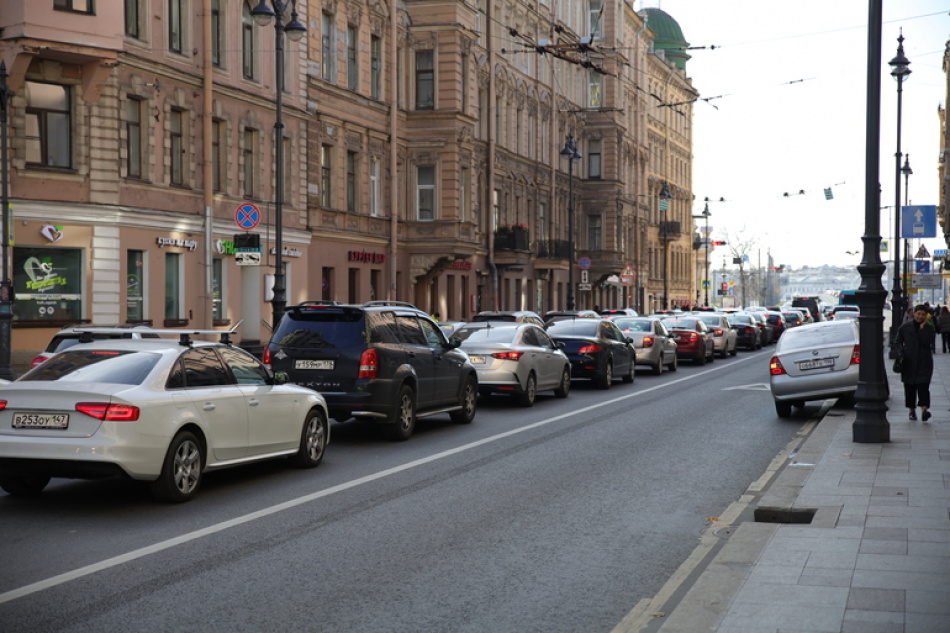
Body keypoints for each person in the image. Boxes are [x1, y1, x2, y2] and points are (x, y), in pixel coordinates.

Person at [895, 304, 936, 421]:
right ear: (914, 313)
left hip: (924, 362)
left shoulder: (929, 328)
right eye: (918, 314)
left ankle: (924, 410)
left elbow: (927, 342)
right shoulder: (905, 327)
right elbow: (897, 342)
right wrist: (901, 352)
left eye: (923, 315)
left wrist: (923, 327)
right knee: (909, 387)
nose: (920, 316)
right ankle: (911, 410)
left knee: (923, 386)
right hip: (909, 361)